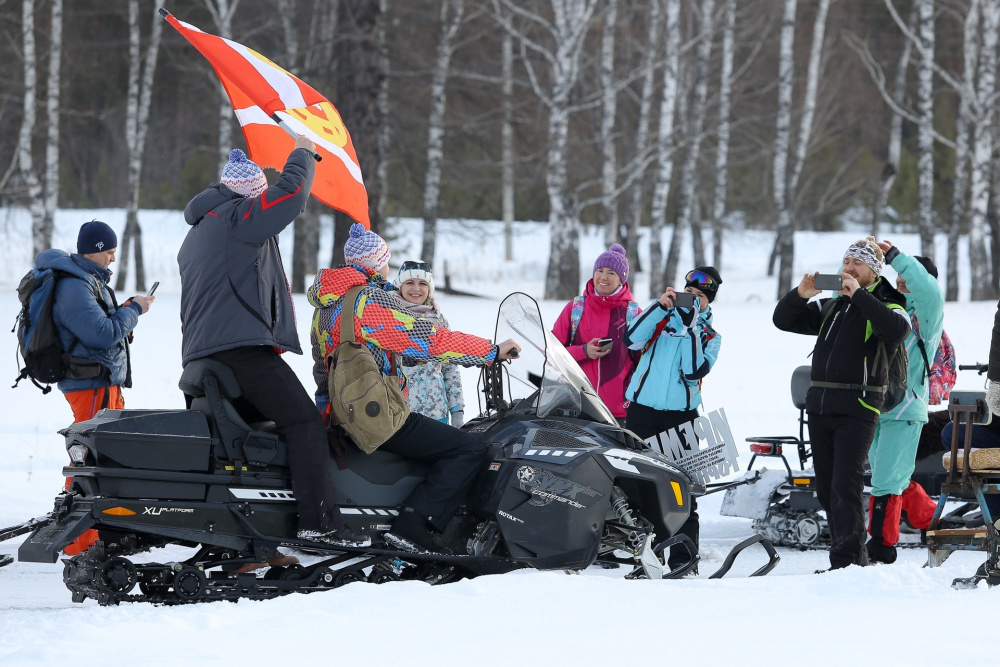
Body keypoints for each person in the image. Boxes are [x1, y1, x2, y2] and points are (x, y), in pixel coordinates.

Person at [178, 138, 369, 566]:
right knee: (304, 422)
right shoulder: (236, 217)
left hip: (207, 353)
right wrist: (302, 153)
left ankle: (257, 538)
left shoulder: (200, 229)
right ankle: (319, 525)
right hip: (239, 349)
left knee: (254, 439)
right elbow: (290, 197)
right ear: (249, 194)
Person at [308, 223, 520, 553]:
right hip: (374, 414)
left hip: (338, 412)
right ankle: (413, 524)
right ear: (378, 264)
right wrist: (490, 351)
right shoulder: (367, 303)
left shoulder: (328, 303)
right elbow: (430, 340)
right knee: (468, 449)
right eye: (386, 261)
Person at [773, 237, 911, 570]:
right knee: (826, 490)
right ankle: (853, 559)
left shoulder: (889, 303)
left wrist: (859, 296)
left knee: (845, 487)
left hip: (859, 407)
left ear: (874, 270)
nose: (849, 268)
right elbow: (783, 320)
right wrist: (800, 295)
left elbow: (896, 331)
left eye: (857, 263)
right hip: (821, 406)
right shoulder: (833, 306)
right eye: (847, 261)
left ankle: (845, 563)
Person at [36, 219, 155, 555]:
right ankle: (80, 542)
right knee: (87, 460)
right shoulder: (74, 287)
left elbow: (102, 327)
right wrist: (134, 310)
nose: (113, 258)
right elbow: (101, 334)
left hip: (102, 382)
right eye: (110, 252)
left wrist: (125, 311)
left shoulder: (89, 281)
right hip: (90, 383)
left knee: (104, 458)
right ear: (95, 250)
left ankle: (101, 531)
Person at [623, 266, 723, 572]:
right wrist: (659, 307)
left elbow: (693, 371)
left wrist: (690, 328)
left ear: (709, 302)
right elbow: (631, 339)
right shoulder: (660, 319)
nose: (691, 299)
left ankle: (684, 560)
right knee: (641, 487)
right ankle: (647, 558)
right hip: (642, 412)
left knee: (683, 488)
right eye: (687, 293)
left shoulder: (710, 336)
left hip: (682, 419)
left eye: (699, 296)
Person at [865, 244, 945, 564]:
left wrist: (897, 257)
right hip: (874, 406)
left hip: (905, 409)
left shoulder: (927, 317)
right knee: (891, 476)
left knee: (886, 480)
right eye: (898, 276)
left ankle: (881, 546)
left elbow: (928, 291)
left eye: (907, 277)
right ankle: (931, 520)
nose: (900, 281)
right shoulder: (891, 310)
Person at [551, 244, 641, 423]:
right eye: (600, 270)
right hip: (578, 406)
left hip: (619, 411)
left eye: (611, 273)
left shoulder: (633, 314)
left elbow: (645, 362)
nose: (603, 277)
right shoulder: (575, 309)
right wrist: (584, 351)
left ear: (622, 279)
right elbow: (552, 352)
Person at [394, 260, 466, 427]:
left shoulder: (439, 320)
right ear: (400, 286)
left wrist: (457, 411)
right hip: (399, 415)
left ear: (430, 288)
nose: (416, 288)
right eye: (410, 282)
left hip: (436, 414)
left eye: (423, 283)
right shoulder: (389, 317)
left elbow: (450, 368)